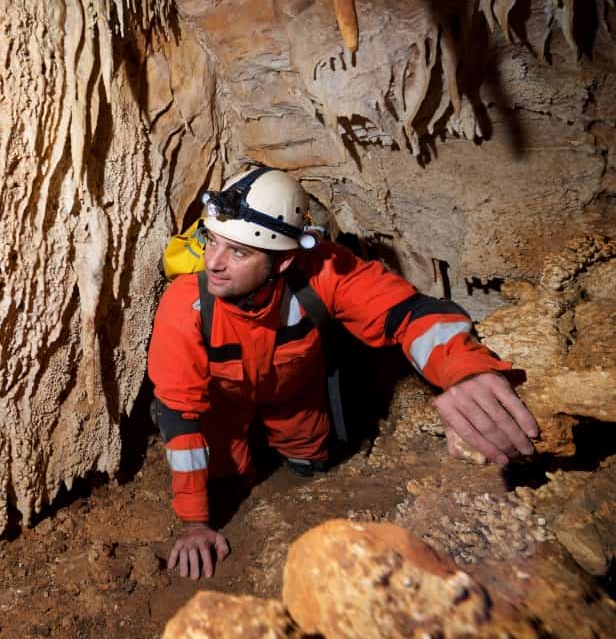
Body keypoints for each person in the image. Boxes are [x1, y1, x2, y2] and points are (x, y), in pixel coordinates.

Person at [147, 167, 539, 580]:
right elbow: (181, 414)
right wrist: (195, 523)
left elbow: (409, 314)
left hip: (293, 396)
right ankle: (235, 470)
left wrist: (464, 371)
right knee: (226, 475)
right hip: (221, 406)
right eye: (212, 241)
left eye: (239, 252)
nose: (214, 263)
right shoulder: (185, 305)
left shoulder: (322, 273)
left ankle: (297, 459)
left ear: (282, 263)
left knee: (310, 464)